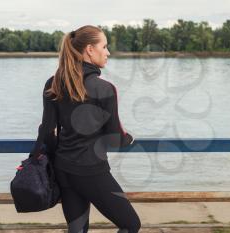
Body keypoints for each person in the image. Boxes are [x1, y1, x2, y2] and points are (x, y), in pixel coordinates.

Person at [29, 25, 141, 233]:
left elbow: (46, 132)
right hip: (91, 171)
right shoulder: (105, 89)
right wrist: (129, 139)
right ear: (90, 49)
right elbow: (116, 138)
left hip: (63, 169)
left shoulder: (53, 83)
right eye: (105, 46)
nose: (108, 52)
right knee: (131, 225)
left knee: (77, 230)